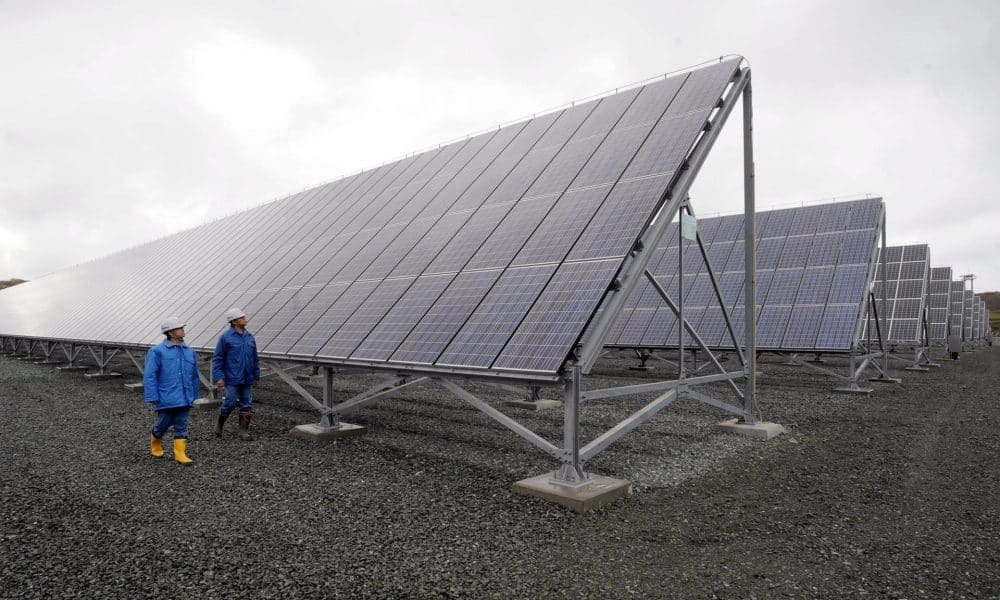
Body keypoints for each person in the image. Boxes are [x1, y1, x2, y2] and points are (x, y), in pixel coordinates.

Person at [143, 317, 200, 465]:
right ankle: (156, 441)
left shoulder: (189, 351)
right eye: (179, 328)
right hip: (166, 396)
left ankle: (180, 454)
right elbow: (150, 374)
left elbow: (194, 374)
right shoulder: (157, 351)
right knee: (163, 423)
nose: (183, 329)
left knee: (182, 423)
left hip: (185, 396)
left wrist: (194, 394)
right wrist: (152, 395)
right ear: (170, 332)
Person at [212, 307, 260, 440]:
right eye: (242, 318)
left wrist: (256, 375)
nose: (245, 319)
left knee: (247, 404)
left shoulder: (250, 337)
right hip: (232, 377)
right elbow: (218, 359)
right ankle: (219, 424)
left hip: (247, 377)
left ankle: (243, 431)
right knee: (230, 402)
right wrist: (219, 377)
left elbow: (255, 358)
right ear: (234, 322)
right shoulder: (225, 338)